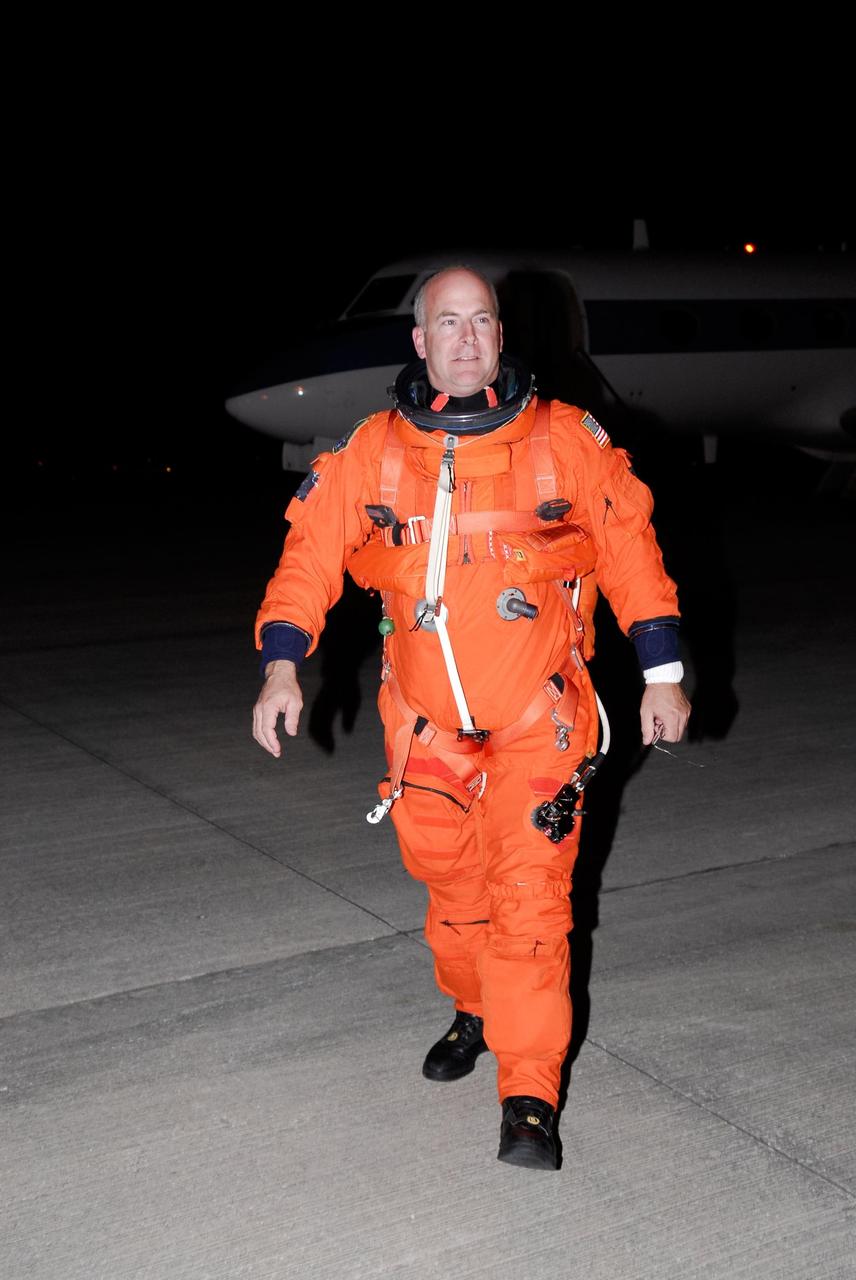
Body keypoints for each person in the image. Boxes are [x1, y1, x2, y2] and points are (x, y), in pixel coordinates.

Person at [252, 266, 691, 1171]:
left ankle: (529, 1094)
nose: (461, 338)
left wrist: (664, 673)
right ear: (419, 342)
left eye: (478, 321)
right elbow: (309, 557)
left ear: (500, 335)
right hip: (425, 728)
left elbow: (630, 548)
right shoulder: (374, 450)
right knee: (453, 896)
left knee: (530, 907)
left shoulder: (563, 442)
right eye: (443, 323)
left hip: (541, 720)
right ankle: (475, 1012)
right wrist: (281, 664)